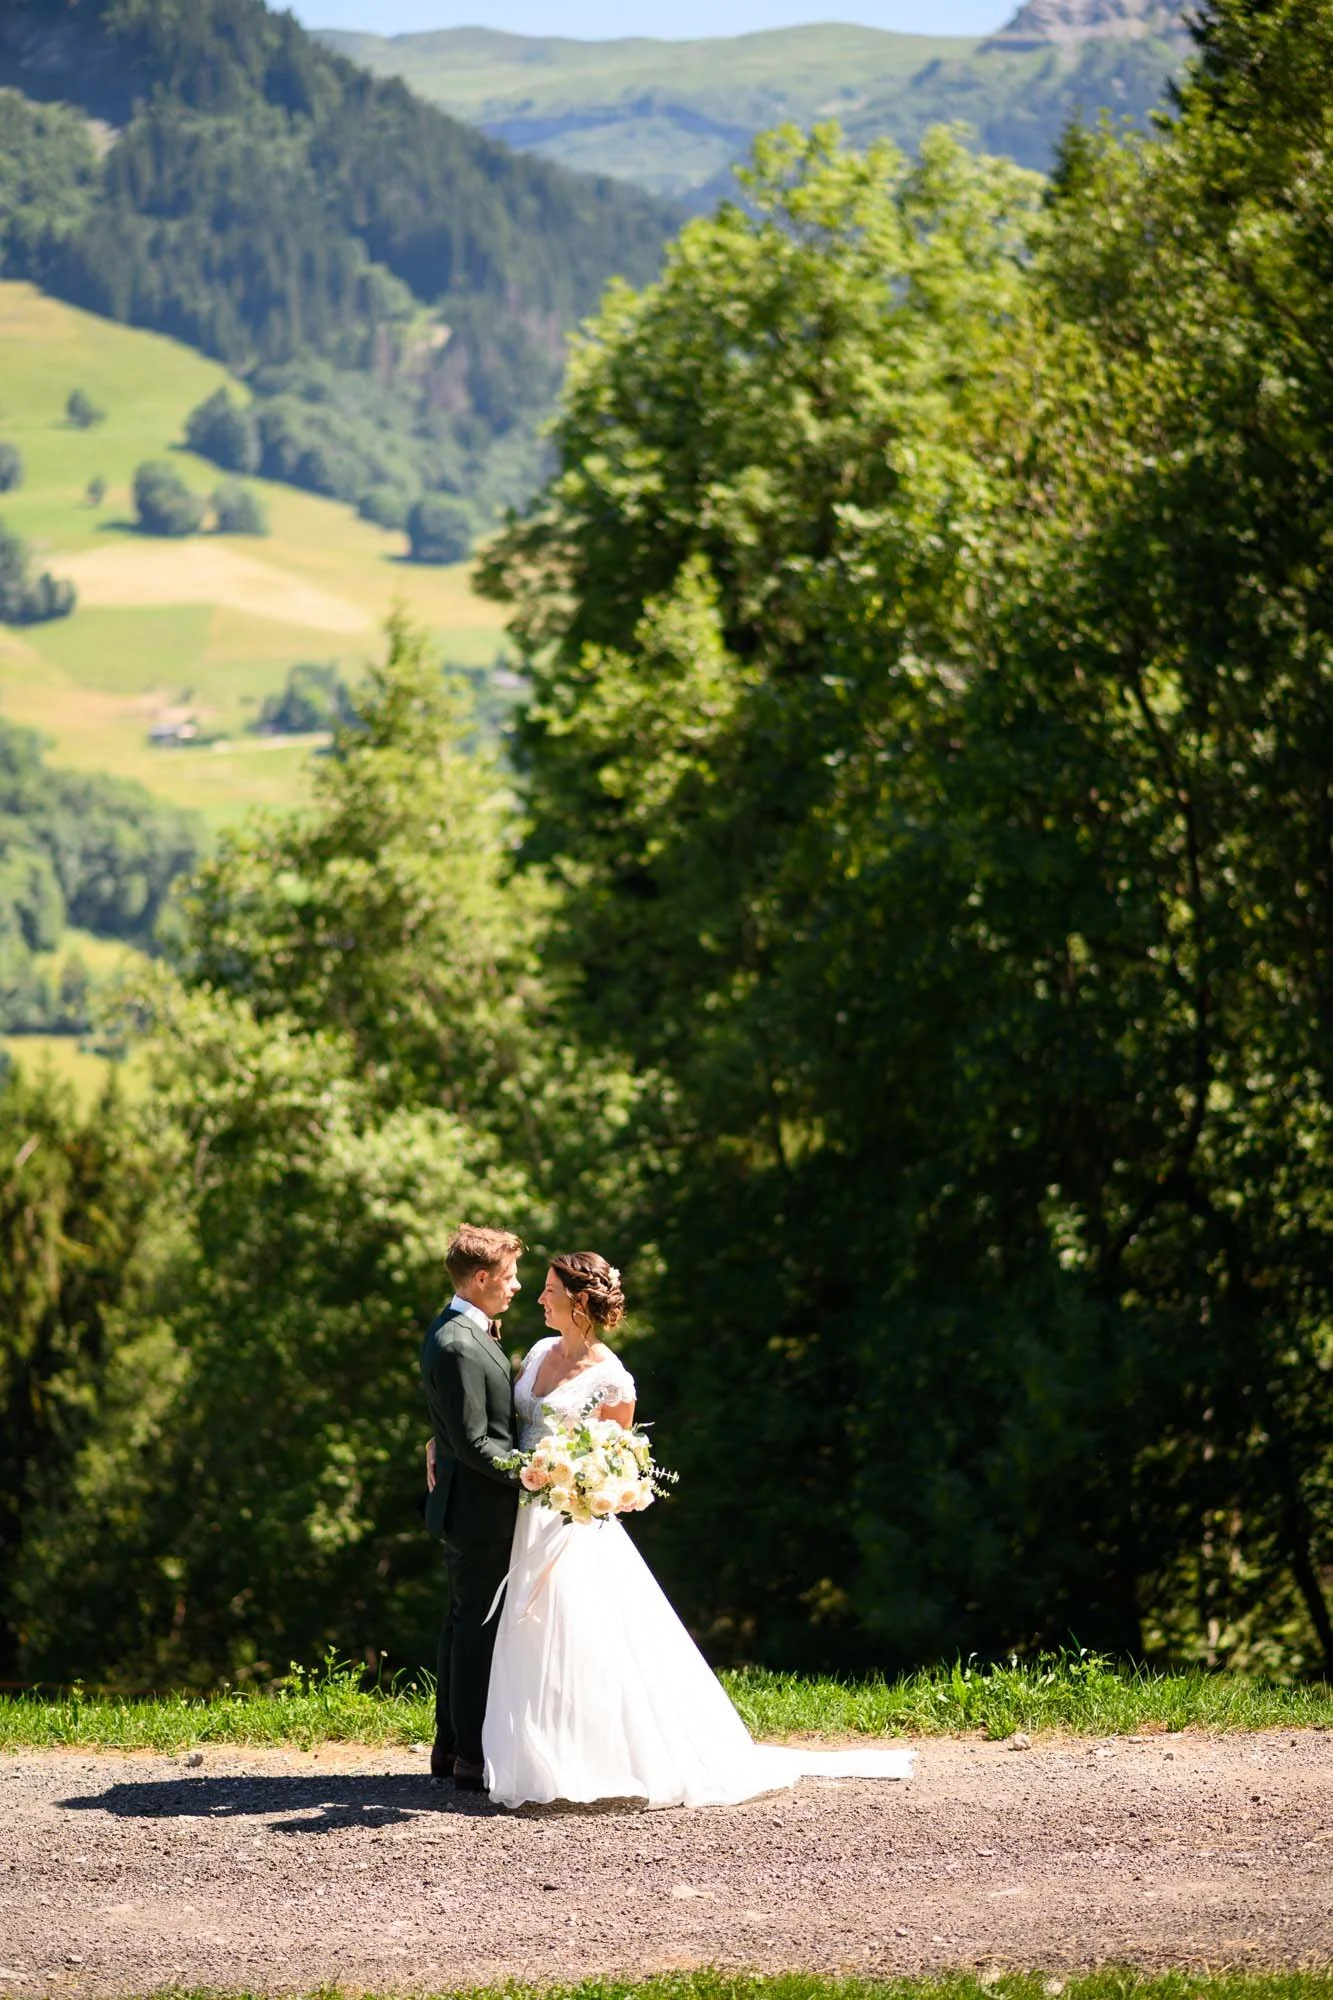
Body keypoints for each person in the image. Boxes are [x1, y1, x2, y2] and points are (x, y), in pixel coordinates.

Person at [482, 1250, 916, 1809]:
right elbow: (512, 1423)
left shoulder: (613, 1380)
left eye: (549, 1290)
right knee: (532, 1635)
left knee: (576, 1633)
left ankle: (596, 1760)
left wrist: (582, 1484)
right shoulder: (538, 1352)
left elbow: (618, 1462)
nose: (540, 1298)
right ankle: (534, 1754)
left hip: (574, 1520)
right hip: (527, 1512)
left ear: (580, 1301)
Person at [420, 1224, 523, 1790]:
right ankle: (469, 1757)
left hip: (471, 1504)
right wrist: (533, 1474)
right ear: (481, 1278)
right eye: (508, 1277)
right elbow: (474, 1443)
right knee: (475, 1629)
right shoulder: (459, 1341)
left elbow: (457, 1425)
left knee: (462, 1623)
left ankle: (450, 1745)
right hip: (479, 1510)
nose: (516, 1286)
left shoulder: (462, 1328)